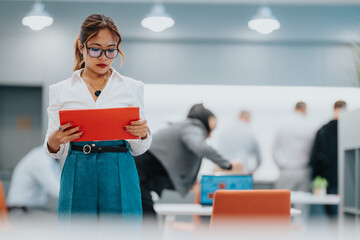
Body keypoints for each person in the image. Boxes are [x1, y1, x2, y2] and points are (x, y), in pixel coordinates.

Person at [43, 14, 151, 221]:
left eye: (111, 50)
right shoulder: (61, 90)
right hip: (78, 166)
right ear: (82, 47)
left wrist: (143, 134)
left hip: (120, 165)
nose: (103, 57)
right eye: (95, 49)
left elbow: (139, 149)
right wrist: (54, 142)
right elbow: (55, 151)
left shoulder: (132, 87)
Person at [134, 103, 242, 217]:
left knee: (146, 218)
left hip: (141, 175)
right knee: (148, 220)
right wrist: (228, 164)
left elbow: (171, 165)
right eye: (212, 129)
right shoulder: (192, 126)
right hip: (139, 174)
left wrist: (190, 183)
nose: (210, 135)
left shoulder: (183, 127)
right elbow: (201, 147)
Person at [309, 100, 347, 217]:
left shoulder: (323, 130)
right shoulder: (351, 129)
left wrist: (316, 177)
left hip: (329, 176)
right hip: (347, 176)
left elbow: (315, 157)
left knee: (333, 214)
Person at [273, 102, 315, 192]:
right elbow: (312, 149)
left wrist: (281, 165)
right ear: (304, 109)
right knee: (302, 204)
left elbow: (275, 149)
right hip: (303, 170)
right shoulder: (309, 125)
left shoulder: (283, 124)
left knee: (281, 202)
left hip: (286, 170)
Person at [6, 146, 60, 216]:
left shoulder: (52, 160)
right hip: (19, 211)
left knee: (62, 219)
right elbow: (57, 191)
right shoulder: (40, 159)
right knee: (61, 221)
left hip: (31, 209)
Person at [216, 110, 262, 174]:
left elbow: (218, 154)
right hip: (241, 173)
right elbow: (259, 160)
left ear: (238, 117)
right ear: (249, 118)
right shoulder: (250, 133)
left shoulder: (224, 132)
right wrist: (251, 171)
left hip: (223, 171)